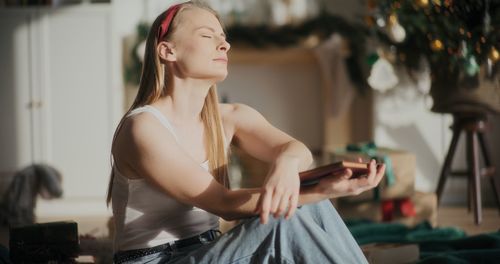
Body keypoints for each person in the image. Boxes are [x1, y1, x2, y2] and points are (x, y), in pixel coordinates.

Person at [107, 1, 385, 263]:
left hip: (207, 249)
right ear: (168, 51)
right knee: (286, 219)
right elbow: (223, 203)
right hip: (159, 259)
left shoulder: (229, 117)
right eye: (207, 36)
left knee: (310, 204)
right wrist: (320, 189)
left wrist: (286, 166)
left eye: (223, 36)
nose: (224, 44)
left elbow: (296, 150)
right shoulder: (143, 128)